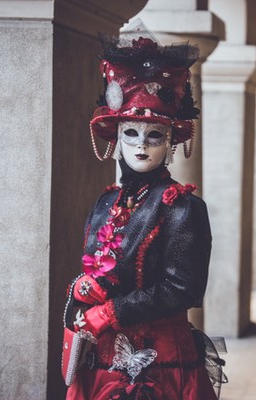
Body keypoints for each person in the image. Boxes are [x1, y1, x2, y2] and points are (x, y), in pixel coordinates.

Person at [62, 33, 222, 400]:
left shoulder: (184, 207)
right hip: (100, 358)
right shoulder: (106, 202)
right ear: (116, 138)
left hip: (162, 362)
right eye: (130, 133)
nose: (140, 145)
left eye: (154, 136)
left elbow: (183, 289)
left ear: (170, 144)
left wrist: (111, 312)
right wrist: (86, 288)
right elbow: (101, 266)